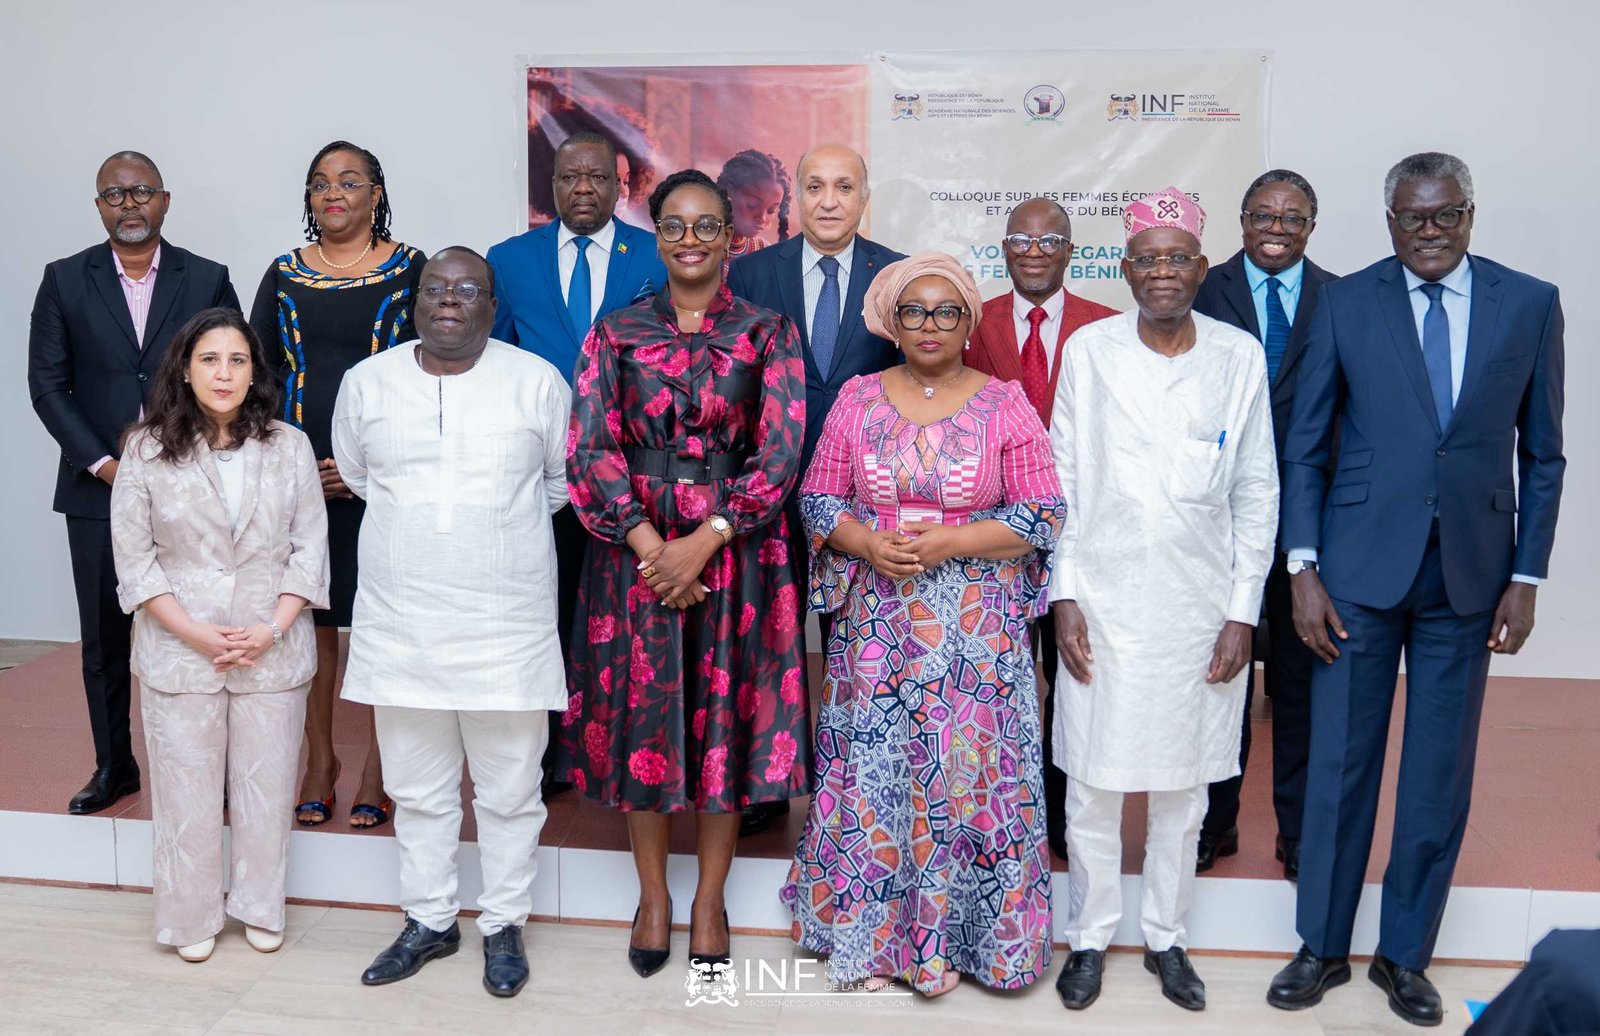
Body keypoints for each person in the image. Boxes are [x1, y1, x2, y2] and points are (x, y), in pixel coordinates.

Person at [1269, 152, 1566, 1027]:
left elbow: (1543, 453)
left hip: (1471, 576)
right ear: (1388, 220)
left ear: (1471, 213)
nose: (1429, 232)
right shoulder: (1347, 302)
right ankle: (1320, 947)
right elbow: (1308, 444)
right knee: (1340, 765)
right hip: (1355, 573)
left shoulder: (1531, 302)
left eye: (1445, 216)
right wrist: (1303, 567)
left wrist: (1528, 575)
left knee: (1439, 772)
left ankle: (1405, 956)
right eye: (1412, 218)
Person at [782, 252, 1065, 997]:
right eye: (915, 311)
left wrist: (950, 542)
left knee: (967, 782)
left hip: (978, 637)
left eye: (947, 311)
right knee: (879, 782)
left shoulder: (1005, 404)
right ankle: (875, 943)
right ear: (890, 322)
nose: (931, 324)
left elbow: (1042, 514)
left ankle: (976, 944)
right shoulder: (857, 398)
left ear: (970, 321)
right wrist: (866, 542)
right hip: (879, 634)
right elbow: (817, 499)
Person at [559, 169, 808, 979]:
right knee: (644, 722)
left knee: (727, 726)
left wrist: (703, 541)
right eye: (675, 226)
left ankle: (707, 899)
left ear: (733, 237)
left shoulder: (768, 330)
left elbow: (779, 452)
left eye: (707, 227)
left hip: (736, 556)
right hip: (633, 554)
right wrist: (647, 545)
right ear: (656, 234)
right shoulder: (617, 329)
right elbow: (589, 446)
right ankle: (653, 898)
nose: (691, 240)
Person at [1047, 188, 1278, 1013]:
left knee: (1185, 794)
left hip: (1197, 608)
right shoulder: (1091, 351)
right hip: (1102, 605)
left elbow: (1256, 489)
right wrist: (1064, 594)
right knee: (1095, 787)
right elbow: (1062, 480)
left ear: (1202, 267)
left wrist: (1243, 610)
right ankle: (1089, 937)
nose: (1162, 273)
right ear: (1127, 267)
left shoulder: (1237, 356)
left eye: (1178, 258)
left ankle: (1168, 937)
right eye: (1147, 258)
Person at [335, 248, 571, 999]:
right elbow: (361, 476)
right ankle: (430, 918)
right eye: (434, 289)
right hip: (402, 621)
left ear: (492, 306)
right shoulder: (367, 384)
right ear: (415, 303)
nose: (448, 301)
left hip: (506, 624)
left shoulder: (536, 382)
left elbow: (560, 486)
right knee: (417, 787)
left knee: (509, 790)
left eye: (467, 290)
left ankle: (503, 924)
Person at [109, 307, 327, 963]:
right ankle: (189, 917)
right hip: (179, 647)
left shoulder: (288, 445)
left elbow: (309, 551)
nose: (223, 373)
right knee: (185, 791)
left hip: (273, 642)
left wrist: (272, 627)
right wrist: (197, 633)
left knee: (265, 788)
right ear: (185, 368)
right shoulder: (145, 450)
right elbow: (136, 560)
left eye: (237, 359)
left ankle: (260, 906)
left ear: (254, 370)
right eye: (209, 359)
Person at [28, 150, 240, 815]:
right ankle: (114, 766)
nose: (129, 203)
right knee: (104, 639)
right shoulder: (64, 280)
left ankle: (212, 772)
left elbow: (235, 371)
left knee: (204, 627)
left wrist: (192, 456)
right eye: (114, 194)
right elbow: (47, 385)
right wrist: (107, 465)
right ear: (99, 207)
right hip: (97, 490)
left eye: (141, 191)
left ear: (165, 201)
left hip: (195, 483)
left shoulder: (207, 278)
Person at [725, 142, 906, 836]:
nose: (828, 200)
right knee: (767, 640)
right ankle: (765, 783)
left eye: (844, 186)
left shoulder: (898, 275)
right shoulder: (749, 273)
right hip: (765, 490)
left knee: (853, 645)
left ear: (865, 196)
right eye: (815, 187)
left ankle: (850, 780)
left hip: (864, 501)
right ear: (795, 197)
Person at [249, 139, 425, 831]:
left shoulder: (414, 270)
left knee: (381, 624)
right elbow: (255, 371)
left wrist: (364, 467)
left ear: (376, 192)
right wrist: (293, 466)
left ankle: (381, 772)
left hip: (386, 481)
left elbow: (431, 373)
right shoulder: (285, 272)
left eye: (350, 181)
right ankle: (319, 763)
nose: (334, 193)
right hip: (299, 478)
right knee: (311, 622)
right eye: (320, 182)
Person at [1191, 170, 1338, 879]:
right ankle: (1214, 824)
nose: (1277, 227)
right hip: (1214, 518)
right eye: (1264, 214)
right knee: (1217, 675)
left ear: (1313, 226)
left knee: (1301, 679)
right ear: (1241, 220)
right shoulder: (1198, 287)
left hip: (1313, 517)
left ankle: (1300, 831)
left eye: (1294, 217)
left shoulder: (1343, 297)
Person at [966, 196, 1117, 863]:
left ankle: (1058, 819)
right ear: (1003, 248)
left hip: (1080, 531)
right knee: (993, 678)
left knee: (1071, 676)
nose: (1033, 250)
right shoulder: (969, 322)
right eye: (1020, 240)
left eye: (1048, 239)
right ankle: (990, 811)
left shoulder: (1108, 326)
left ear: (1069, 251)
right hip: (990, 535)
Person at [717, 148, 792, 265]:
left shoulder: (765, 253)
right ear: (727, 193)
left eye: (771, 210)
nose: (762, 218)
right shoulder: (698, 244)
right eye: (752, 206)